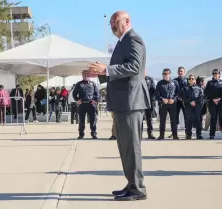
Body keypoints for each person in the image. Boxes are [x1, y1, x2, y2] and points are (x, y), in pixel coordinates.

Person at [88, 11, 149, 200]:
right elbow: (121, 69)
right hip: (123, 102)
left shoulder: (133, 39)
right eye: (112, 23)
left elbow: (134, 67)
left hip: (132, 102)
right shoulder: (122, 42)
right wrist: (98, 73)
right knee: (124, 147)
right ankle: (131, 183)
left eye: (116, 22)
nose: (113, 25)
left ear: (127, 21)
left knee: (132, 146)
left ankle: (138, 188)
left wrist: (106, 69)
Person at [73, 71, 99, 139]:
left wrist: (95, 100)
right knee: (81, 120)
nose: (85, 76)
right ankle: (81, 134)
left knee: (93, 120)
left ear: (89, 75)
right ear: (82, 75)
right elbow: (74, 94)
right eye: (84, 75)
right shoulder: (79, 84)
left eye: (87, 75)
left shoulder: (93, 84)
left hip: (91, 105)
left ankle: (94, 133)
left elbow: (97, 94)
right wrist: (77, 99)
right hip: (82, 104)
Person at [155, 68, 180, 140]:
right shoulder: (160, 83)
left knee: (173, 120)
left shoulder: (175, 82)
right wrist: (162, 99)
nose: (165, 75)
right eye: (163, 74)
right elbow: (156, 93)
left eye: (166, 73)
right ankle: (161, 135)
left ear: (169, 74)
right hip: (163, 104)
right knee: (162, 120)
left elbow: (178, 93)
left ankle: (175, 135)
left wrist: (173, 99)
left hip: (172, 104)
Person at [181, 74, 204, 139]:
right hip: (188, 105)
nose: (191, 80)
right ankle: (188, 134)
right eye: (189, 79)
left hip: (197, 105)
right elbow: (183, 97)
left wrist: (195, 102)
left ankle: (198, 134)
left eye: (192, 79)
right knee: (189, 119)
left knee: (197, 119)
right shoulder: (185, 88)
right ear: (188, 80)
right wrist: (190, 101)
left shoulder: (199, 87)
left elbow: (201, 96)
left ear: (195, 80)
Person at [204, 69, 222, 139]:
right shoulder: (209, 83)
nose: (215, 75)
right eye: (214, 73)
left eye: (216, 73)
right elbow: (206, 93)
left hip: (221, 102)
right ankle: (212, 134)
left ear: (219, 75)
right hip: (212, 103)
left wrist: (220, 99)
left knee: (221, 118)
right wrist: (213, 99)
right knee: (213, 118)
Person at [144, 70, 156, 139]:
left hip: (148, 102)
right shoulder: (138, 78)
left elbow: (154, 90)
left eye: (144, 71)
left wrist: (152, 100)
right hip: (139, 102)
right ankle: (139, 134)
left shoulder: (150, 79)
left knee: (149, 118)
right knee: (139, 119)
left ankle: (150, 133)